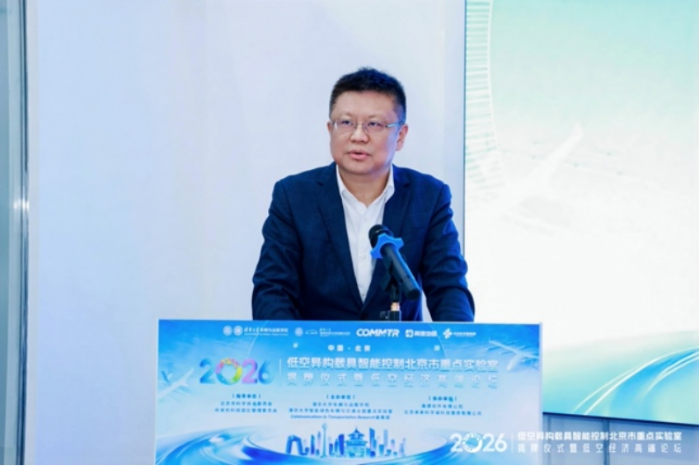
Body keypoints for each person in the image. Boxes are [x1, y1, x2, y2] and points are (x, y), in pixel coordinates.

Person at [252, 67, 474, 322]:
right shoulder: (294, 196)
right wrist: (287, 345)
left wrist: (459, 340)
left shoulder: (428, 197)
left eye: (374, 124)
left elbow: (448, 288)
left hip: (398, 346)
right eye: (346, 123)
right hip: (315, 346)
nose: (358, 136)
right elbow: (273, 289)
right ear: (330, 130)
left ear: (400, 136)